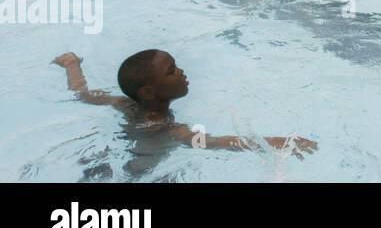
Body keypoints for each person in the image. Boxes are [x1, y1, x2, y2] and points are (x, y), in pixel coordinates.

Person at [52, 51, 316, 156]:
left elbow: (81, 93)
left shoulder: (123, 103)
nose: (181, 72)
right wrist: (282, 143)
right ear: (148, 91)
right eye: (171, 70)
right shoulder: (165, 128)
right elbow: (218, 142)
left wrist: (71, 63)